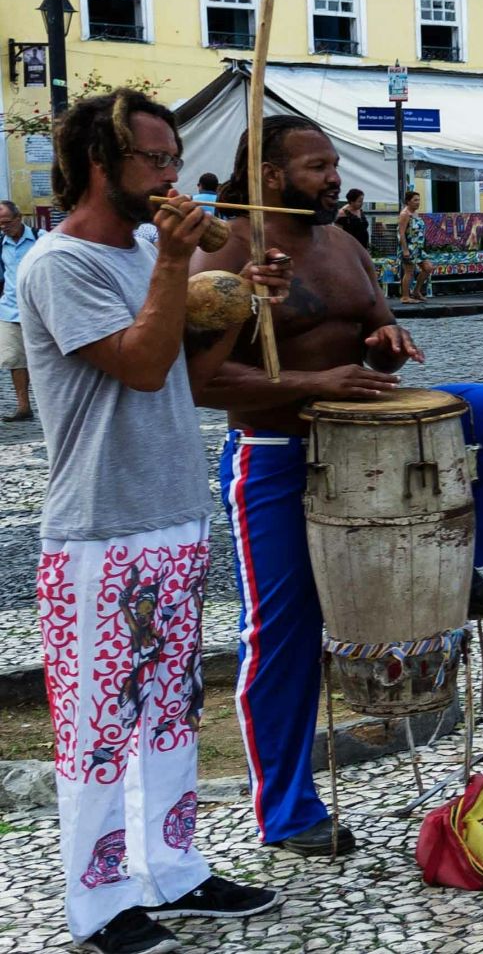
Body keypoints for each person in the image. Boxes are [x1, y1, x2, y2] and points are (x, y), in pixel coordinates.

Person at [191, 116, 483, 857]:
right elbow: (201, 381)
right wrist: (316, 379)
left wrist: (388, 343)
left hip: (370, 432)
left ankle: (473, 570)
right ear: (272, 173)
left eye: (334, 163)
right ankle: (286, 810)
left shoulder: (344, 243)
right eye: (317, 166)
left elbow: (380, 337)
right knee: (281, 634)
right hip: (279, 451)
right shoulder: (225, 247)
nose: (333, 178)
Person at [18, 89, 290, 954]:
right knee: (97, 728)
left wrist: (245, 301)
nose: (176, 176)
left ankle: (174, 867)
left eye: (175, 158)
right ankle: (98, 904)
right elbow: (135, 366)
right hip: (97, 531)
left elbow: (185, 371)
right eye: (157, 160)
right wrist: (176, 266)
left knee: (169, 714)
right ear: (104, 164)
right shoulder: (59, 266)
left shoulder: (143, 246)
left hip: (172, 513)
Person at [1, 200, 39, 421]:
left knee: (45, 359)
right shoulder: (1, 244)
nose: (4, 227)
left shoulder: (39, 238)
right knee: (15, 360)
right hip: (9, 309)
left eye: (7, 222)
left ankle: (51, 404)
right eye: (0, 224)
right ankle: (23, 406)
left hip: (37, 309)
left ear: (18, 218)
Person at [396, 190, 430, 303]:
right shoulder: (405, 214)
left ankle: (416, 291)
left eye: (419, 200)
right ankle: (405, 296)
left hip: (418, 247)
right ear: (408, 201)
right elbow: (401, 233)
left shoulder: (415, 213)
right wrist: (405, 250)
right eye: (415, 200)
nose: (418, 202)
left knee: (428, 268)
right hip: (409, 247)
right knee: (409, 271)